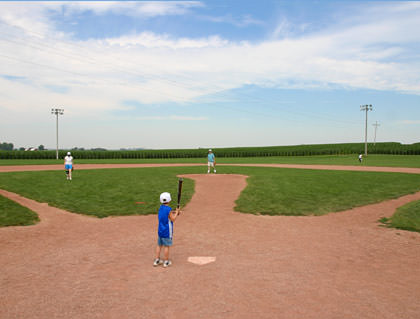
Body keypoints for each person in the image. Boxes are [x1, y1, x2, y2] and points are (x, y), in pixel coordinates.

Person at [154, 192, 180, 268]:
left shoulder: (161, 208)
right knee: (166, 246)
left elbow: (168, 214)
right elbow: (173, 219)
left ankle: (157, 260)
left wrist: (175, 212)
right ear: (169, 200)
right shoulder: (169, 209)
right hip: (167, 231)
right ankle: (166, 261)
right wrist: (177, 212)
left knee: (159, 245)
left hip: (160, 231)